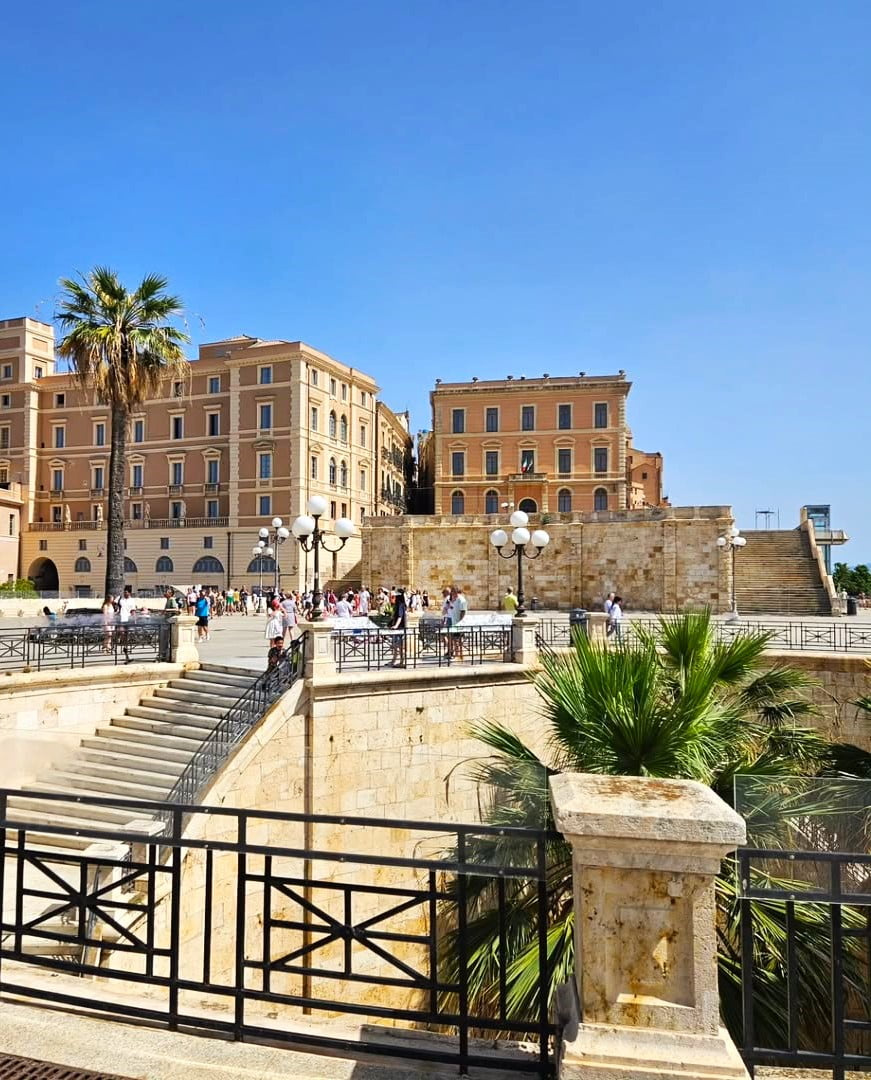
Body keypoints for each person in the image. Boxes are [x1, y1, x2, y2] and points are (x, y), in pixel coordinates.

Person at [389, 587, 408, 667]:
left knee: (398, 646)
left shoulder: (400, 605)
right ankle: (395, 660)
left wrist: (396, 626)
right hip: (399, 628)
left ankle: (402, 662)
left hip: (399, 628)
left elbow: (400, 616)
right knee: (396, 645)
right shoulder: (400, 604)